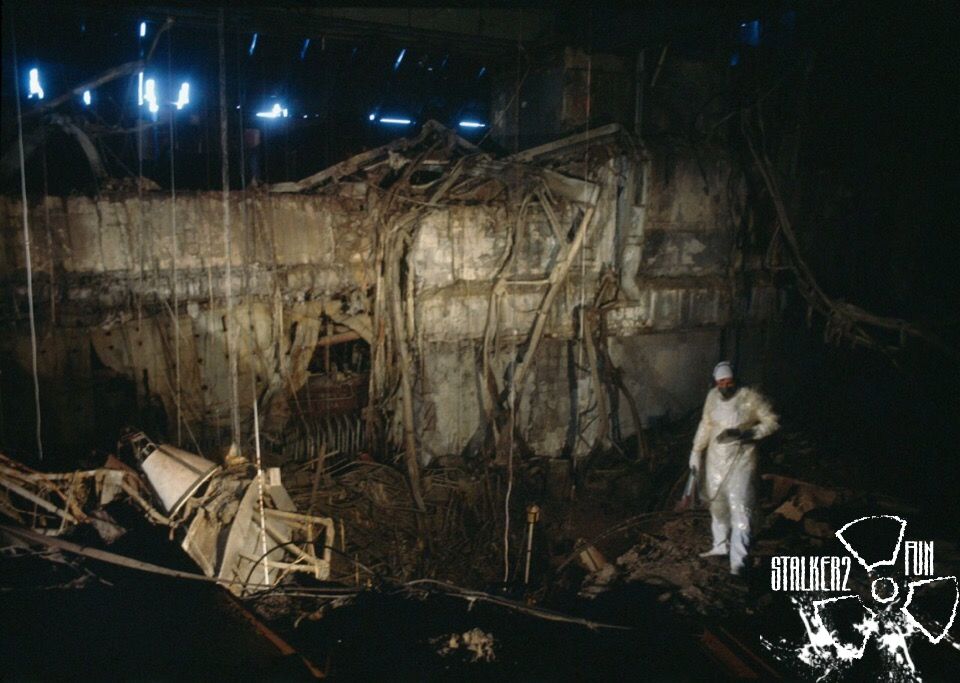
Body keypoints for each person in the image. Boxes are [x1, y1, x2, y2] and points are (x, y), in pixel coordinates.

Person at [689, 361, 779, 575]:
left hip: (741, 460)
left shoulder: (749, 397)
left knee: (740, 508)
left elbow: (771, 422)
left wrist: (746, 433)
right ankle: (720, 545)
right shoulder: (712, 397)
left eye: (728, 382)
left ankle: (739, 560)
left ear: (735, 380)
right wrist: (696, 450)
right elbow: (706, 423)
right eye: (721, 382)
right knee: (717, 504)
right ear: (715, 383)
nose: (725, 386)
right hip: (716, 459)